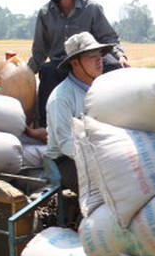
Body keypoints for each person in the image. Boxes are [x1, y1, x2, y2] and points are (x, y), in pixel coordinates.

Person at [25, 0, 129, 141]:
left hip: (89, 59)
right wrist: (24, 74)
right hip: (62, 64)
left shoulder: (91, 9)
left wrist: (121, 56)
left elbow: (109, 39)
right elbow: (40, 52)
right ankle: (45, 128)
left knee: (114, 68)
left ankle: (118, 120)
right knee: (48, 71)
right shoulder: (45, 13)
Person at [45, 32, 115, 193]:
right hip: (63, 162)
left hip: (96, 153)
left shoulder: (101, 88)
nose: (99, 60)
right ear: (75, 63)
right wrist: (98, 158)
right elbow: (65, 144)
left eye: (99, 55)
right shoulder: (61, 97)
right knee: (107, 187)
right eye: (92, 56)